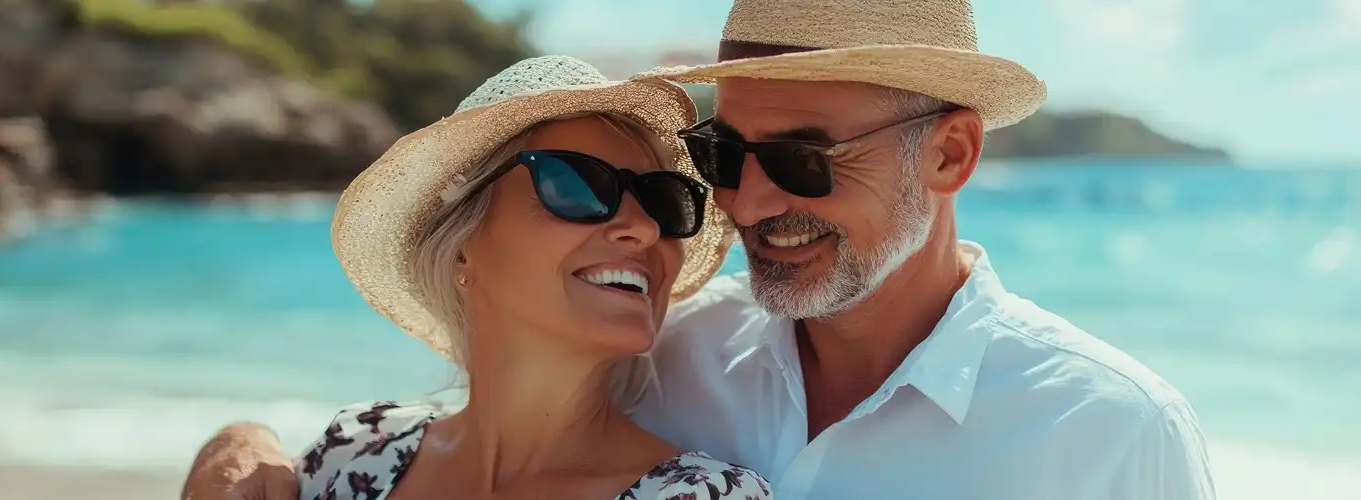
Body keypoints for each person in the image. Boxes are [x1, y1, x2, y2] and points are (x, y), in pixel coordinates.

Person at [182, 1, 1217, 499]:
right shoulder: (659, 353)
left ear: (947, 154)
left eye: (805, 159)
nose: (753, 197)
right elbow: (468, 412)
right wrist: (236, 444)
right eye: (721, 153)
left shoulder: (1111, 434)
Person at [189, 55, 769, 500]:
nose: (643, 228)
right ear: (463, 243)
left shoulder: (700, 495)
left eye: (665, 201)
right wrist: (229, 443)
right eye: (577, 186)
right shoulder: (353, 454)